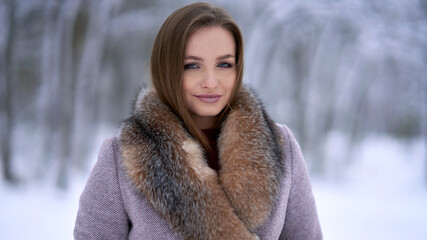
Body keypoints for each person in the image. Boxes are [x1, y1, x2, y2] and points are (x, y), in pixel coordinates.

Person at [74, 2, 322, 240]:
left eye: (224, 64)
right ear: (167, 69)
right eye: (192, 66)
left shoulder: (281, 146)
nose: (211, 81)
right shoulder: (121, 157)